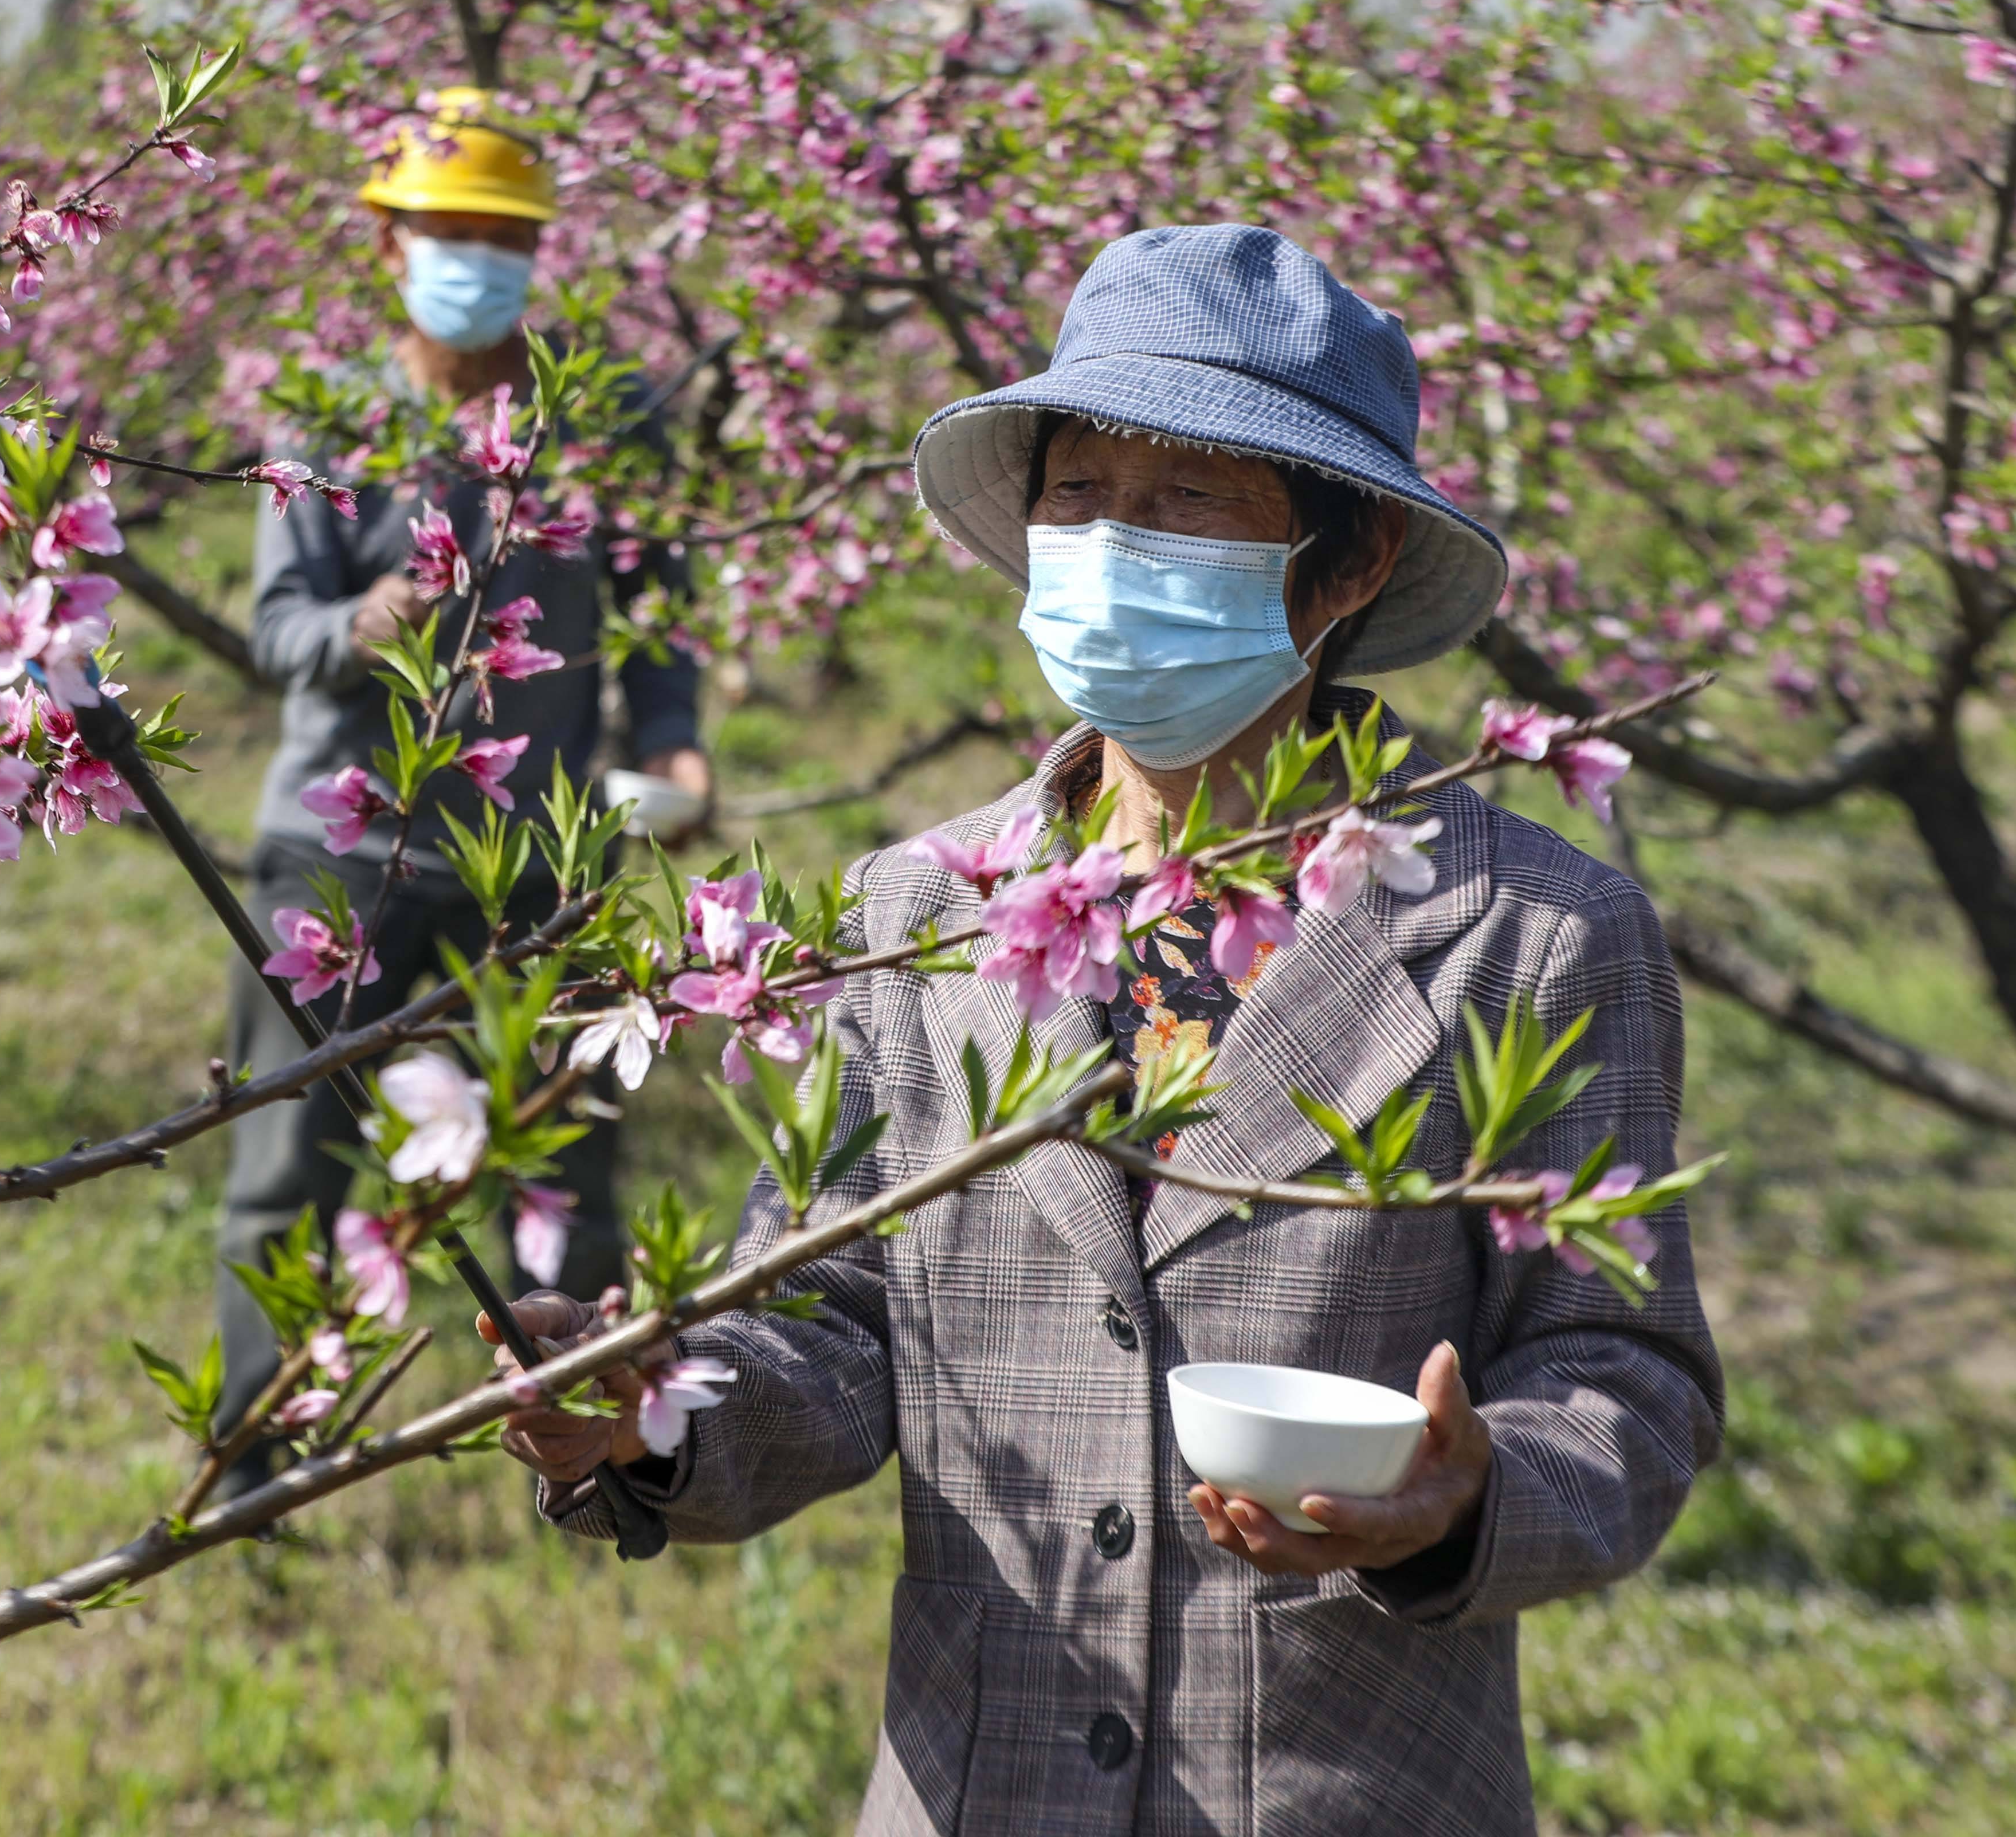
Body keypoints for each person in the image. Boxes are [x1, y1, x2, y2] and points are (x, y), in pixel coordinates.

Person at [487, 225, 1723, 1834]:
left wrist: (1466, 1494)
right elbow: (835, 1314)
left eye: (1184, 503)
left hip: (1344, 1787)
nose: (1110, 545)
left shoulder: (1531, 932)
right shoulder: (915, 914)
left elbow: (1624, 1376)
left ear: (1342, 570)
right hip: (978, 1778)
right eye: (1076, 496)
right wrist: (645, 1401)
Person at [215, 87, 715, 1490]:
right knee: (287, 1178)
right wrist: (361, 621)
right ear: (390, 242)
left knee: (559, 1180)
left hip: (533, 870)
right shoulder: (325, 423)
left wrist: (674, 742)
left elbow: (656, 614)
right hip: (337, 863)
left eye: (497, 233)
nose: (470, 255)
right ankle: (251, 1470)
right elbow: (273, 634)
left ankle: (604, 1449)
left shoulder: (603, 418)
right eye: (443, 228)